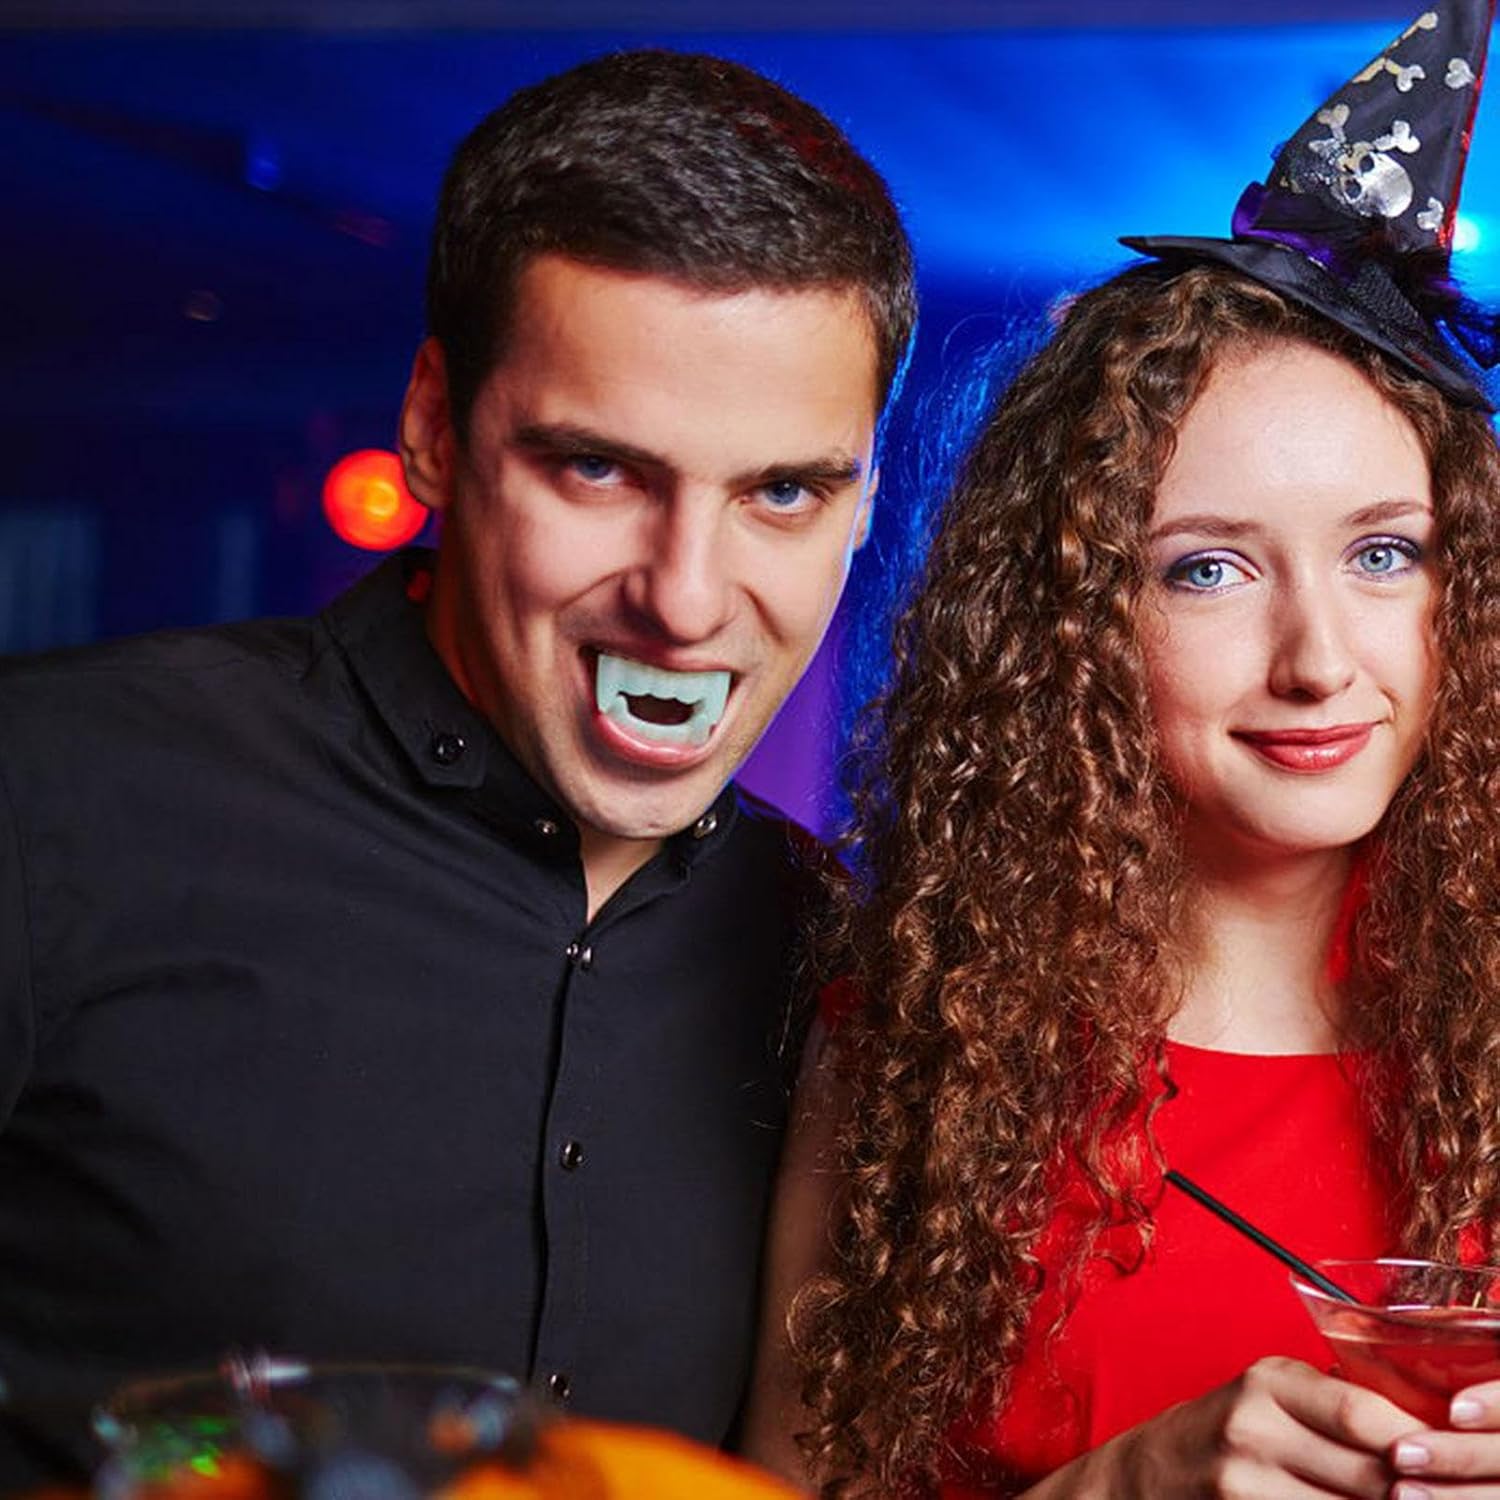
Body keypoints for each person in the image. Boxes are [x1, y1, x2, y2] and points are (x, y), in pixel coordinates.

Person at [0, 49, 916, 1492]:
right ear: (433, 428)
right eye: (597, 469)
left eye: (783, 492)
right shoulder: (49, 791)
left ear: (862, 502)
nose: (685, 600)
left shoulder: (840, 961)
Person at [745, 2, 1500, 1495]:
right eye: (1208, 568)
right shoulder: (921, 1042)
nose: (1319, 660)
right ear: (1076, 624)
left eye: (1385, 554)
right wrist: (1115, 1486)